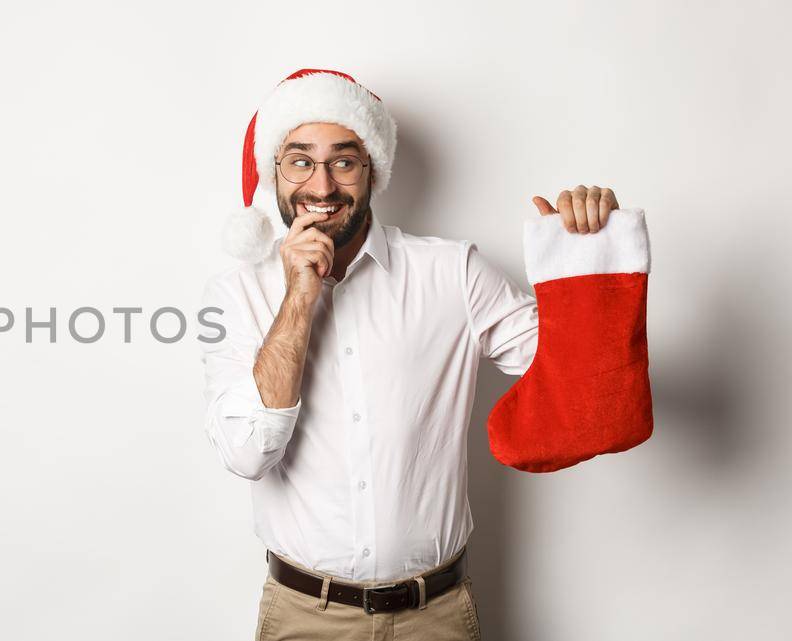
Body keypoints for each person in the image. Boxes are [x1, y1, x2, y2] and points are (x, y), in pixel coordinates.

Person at [199, 69, 651, 640]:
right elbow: (246, 452)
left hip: (434, 617)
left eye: (343, 160)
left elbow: (579, 380)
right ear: (275, 173)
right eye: (299, 161)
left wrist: (590, 262)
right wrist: (299, 297)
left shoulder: (453, 273)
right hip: (303, 618)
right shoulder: (236, 294)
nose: (321, 186)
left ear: (372, 171)